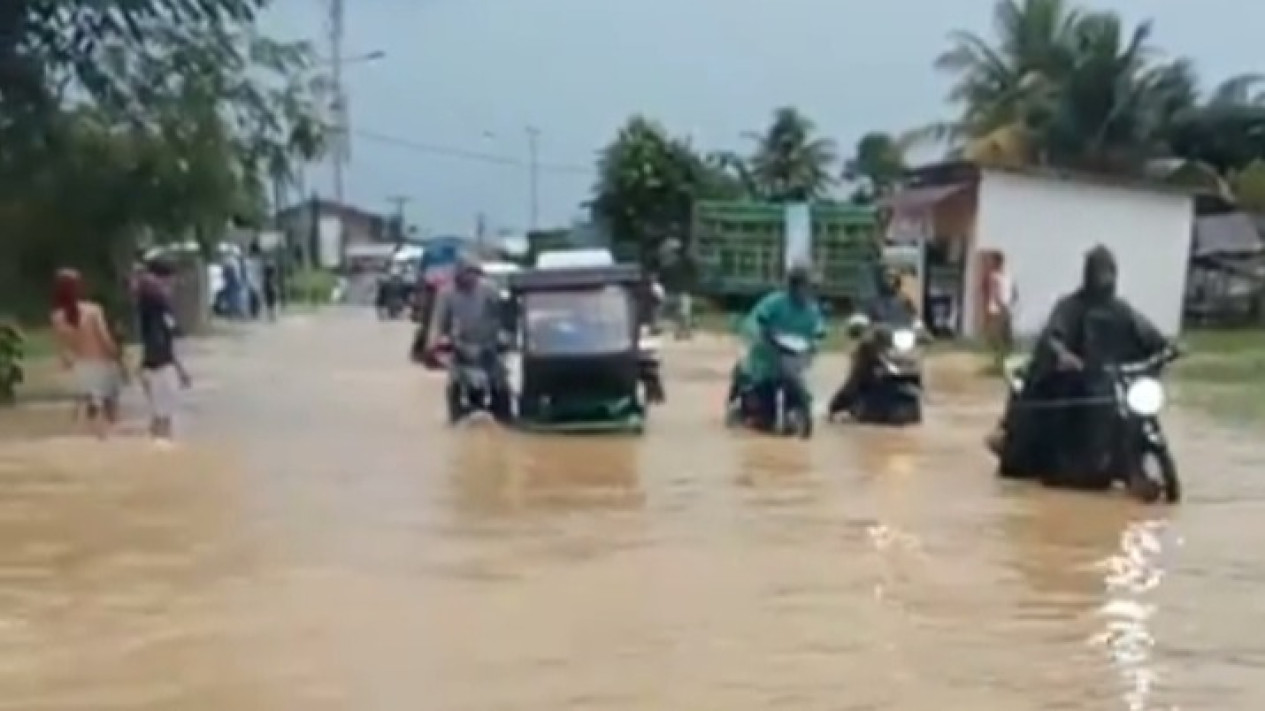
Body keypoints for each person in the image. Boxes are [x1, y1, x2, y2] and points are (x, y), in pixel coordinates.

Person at [992, 245, 1170, 490]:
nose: (1105, 278)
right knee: (1046, 407)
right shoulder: (1070, 307)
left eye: (1109, 272)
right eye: (1100, 272)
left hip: (1113, 384)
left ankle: (1126, 459)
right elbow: (1053, 337)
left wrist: (1168, 351)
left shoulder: (1121, 310)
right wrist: (1064, 355)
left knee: (1138, 414)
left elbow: (1150, 337)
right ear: (1089, 274)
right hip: (1075, 385)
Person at [726, 265, 825, 425]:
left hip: (793, 360)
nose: (809, 291)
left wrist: (814, 345)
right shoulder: (774, 302)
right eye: (806, 286)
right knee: (753, 390)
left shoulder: (812, 310)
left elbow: (819, 332)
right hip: (766, 359)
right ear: (794, 286)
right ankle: (741, 405)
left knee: (802, 390)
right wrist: (760, 334)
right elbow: (755, 321)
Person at [427, 257, 512, 421]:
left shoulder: (490, 290)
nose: (470, 278)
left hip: (489, 347)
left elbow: (503, 315)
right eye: (466, 273)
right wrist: (433, 344)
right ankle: (454, 417)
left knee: (501, 386)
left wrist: (506, 335)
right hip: (461, 349)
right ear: (458, 275)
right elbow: (437, 322)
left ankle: (506, 418)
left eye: (474, 273)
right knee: (454, 386)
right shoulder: (446, 294)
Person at [827, 266, 917, 419]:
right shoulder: (871, 302)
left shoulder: (905, 302)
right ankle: (842, 402)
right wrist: (861, 326)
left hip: (897, 348)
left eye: (893, 278)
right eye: (887, 278)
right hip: (873, 348)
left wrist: (922, 331)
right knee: (859, 371)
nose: (890, 282)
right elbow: (859, 319)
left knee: (914, 363)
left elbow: (915, 321)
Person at [50, 269, 124, 438]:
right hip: (102, 364)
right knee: (111, 411)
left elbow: (63, 349)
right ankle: (105, 438)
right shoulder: (93, 310)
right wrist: (117, 356)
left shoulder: (57, 317)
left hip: (81, 366)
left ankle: (90, 432)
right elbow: (104, 339)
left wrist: (67, 363)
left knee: (90, 404)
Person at [136, 258, 192, 440]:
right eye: (170, 281)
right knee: (163, 417)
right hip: (161, 365)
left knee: (158, 414)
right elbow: (164, 341)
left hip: (151, 364)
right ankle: (163, 451)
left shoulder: (146, 304)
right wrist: (180, 369)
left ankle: (156, 452)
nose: (172, 286)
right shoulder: (158, 305)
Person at [985, 252, 1018, 371]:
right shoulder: (994, 276)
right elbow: (995, 293)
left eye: (993, 261)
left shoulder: (1003, 276)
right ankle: (998, 361)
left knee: (1004, 337)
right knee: (997, 337)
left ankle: (1002, 361)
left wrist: (1009, 304)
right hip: (997, 309)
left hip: (1003, 309)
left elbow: (1013, 291)